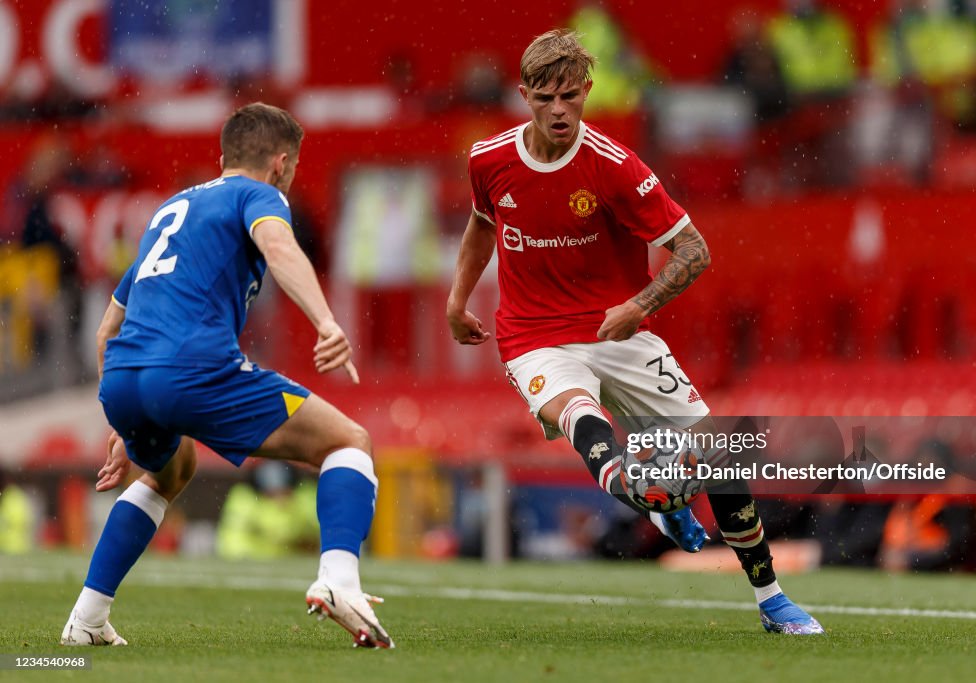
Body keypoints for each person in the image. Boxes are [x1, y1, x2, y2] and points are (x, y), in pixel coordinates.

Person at [447, 30, 823, 635]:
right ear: (523, 96)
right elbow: (481, 225)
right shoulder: (487, 159)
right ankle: (639, 490)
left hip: (619, 333)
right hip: (533, 335)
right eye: (545, 98)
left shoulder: (615, 167)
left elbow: (694, 252)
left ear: (588, 92)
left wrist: (637, 306)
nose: (559, 110)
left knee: (721, 459)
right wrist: (456, 299)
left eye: (570, 96)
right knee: (585, 423)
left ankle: (772, 600)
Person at [60, 103, 392, 649]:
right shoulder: (259, 195)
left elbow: (105, 329)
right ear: (282, 164)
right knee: (348, 442)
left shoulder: (171, 209)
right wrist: (326, 322)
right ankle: (340, 582)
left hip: (122, 375)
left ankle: (87, 618)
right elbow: (280, 247)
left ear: (222, 157)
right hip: (190, 367)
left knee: (172, 468)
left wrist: (120, 420)